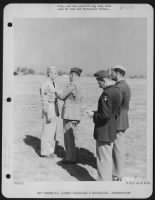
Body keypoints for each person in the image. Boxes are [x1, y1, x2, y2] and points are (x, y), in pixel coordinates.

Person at [87, 70, 122, 181]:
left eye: (99, 82)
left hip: (104, 132)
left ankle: (104, 187)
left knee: (103, 162)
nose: (98, 85)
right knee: (107, 159)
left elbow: (105, 115)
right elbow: (116, 112)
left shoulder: (106, 94)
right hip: (112, 130)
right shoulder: (118, 90)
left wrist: (93, 115)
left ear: (104, 80)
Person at [56, 67, 83, 164]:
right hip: (76, 114)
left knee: (68, 137)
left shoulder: (72, 84)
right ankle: (73, 156)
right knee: (73, 136)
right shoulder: (80, 85)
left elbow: (62, 96)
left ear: (72, 75)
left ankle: (70, 158)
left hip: (69, 114)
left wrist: (57, 91)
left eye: (69, 75)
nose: (69, 77)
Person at [111, 65, 131, 181]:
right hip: (123, 119)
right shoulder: (125, 85)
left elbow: (115, 106)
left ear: (118, 73)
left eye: (112, 72)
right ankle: (118, 172)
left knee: (117, 147)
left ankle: (117, 174)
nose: (111, 74)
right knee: (119, 146)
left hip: (118, 120)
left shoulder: (119, 87)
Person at [40, 66, 59, 158]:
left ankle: (51, 151)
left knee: (52, 131)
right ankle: (45, 152)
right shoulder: (45, 84)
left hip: (54, 107)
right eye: (54, 73)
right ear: (49, 73)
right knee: (47, 130)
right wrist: (46, 112)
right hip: (49, 107)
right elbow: (44, 99)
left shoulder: (53, 83)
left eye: (56, 73)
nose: (56, 75)